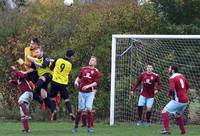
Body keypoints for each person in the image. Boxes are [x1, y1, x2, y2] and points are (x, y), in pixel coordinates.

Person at [72, 56, 100, 133]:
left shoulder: (96, 71)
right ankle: (75, 127)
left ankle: (90, 127)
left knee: (88, 109)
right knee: (80, 110)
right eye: (91, 60)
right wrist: (76, 82)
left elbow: (95, 83)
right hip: (81, 92)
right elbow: (79, 77)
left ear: (95, 63)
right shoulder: (84, 69)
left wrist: (88, 86)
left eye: (93, 60)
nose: (91, 61)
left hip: (90, 93)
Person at [161, 65, 189, 135]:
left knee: (164, 111)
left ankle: (166, 130)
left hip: (178, 100)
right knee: (177, 115)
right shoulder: (182, 76)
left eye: (169, 68)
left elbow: (171, 89)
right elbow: (188, 86)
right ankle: (183, 131)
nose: (168, 69)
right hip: (186, 101)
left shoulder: (172, 78)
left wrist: (169, 95)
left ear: (172, 70)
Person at [49, 49, 75, 121]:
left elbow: (51, 68)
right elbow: (69, 72)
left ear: (65, 53)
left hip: (55, 81)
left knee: (52, 97)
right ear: (71, 56)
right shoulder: (71, 64)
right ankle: (70, 112)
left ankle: (54, 110)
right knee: (66, 99)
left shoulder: (58, 59)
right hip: (63, 84)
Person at [26, 47, 54, 113]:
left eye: (38, 52)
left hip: (49, 75)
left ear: (42, 52)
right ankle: (53, 111)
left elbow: (44, 65)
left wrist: (36, 62)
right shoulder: (36, 58)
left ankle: (34, 86)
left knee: (42, 78)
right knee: (44, 96)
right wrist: (28, 54)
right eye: (36, 52)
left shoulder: (46, 57)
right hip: (42, 77)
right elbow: (29, 58)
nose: (37, 54)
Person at [8, 66, 34, 133]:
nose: (12, 74)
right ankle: (27, 129)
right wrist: (12, 81)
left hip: (28, 92)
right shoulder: (18, 78)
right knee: (22, 114)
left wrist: (16, 70)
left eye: (12, 72)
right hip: (26, 94)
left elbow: (23, 76)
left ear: (14, 71)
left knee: (20, 101)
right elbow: (17, 82)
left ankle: (27, 114)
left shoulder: (20, 73)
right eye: (11, 72)